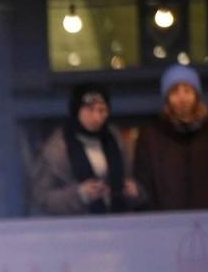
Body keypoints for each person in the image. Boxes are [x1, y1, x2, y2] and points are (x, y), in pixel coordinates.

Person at [133, 66, 208, 212]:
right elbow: (144, 184)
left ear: (196, 95)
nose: (182, 98)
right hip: (164, 224)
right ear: (167, 98)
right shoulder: (150, 137)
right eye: (175, 91)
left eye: (187, 90)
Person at [29, 83, 146, 216]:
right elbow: (41, 199)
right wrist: (80, 195)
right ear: (77, 110)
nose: (97, 117)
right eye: (90, 110)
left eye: (102, 110)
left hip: (117, 223)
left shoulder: (115, 140)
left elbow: (136, 183)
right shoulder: (56, 148)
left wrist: (135, 192)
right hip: (77, 230)